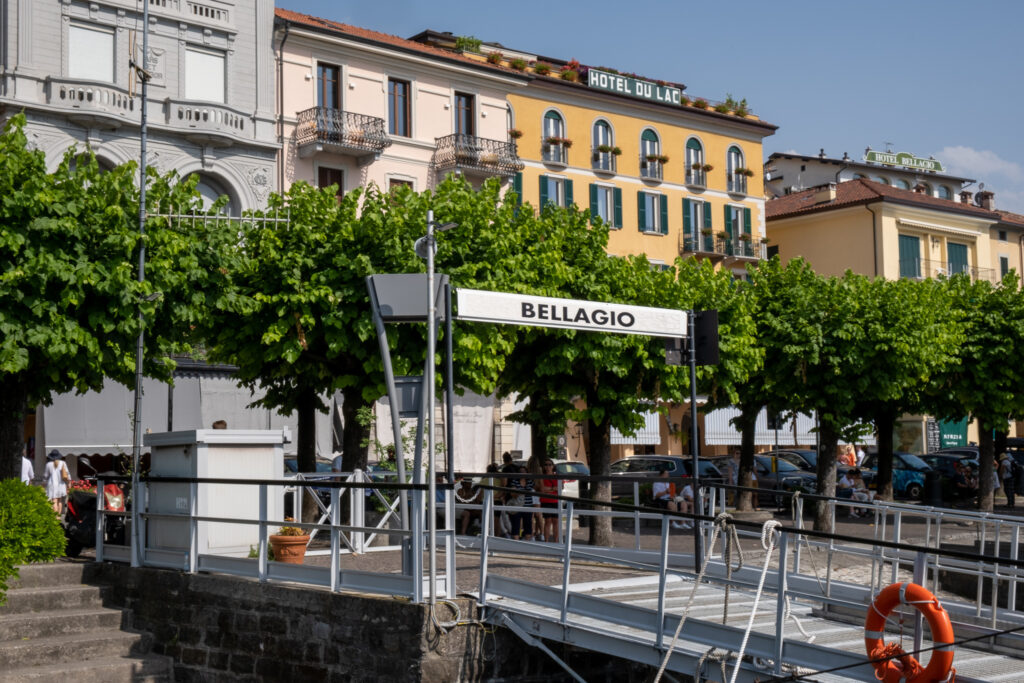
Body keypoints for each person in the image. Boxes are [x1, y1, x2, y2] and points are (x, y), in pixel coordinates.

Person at [538, 459, 561, 543]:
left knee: (556, 521)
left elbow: (560, 487)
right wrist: (554, 489)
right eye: (546, 464)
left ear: (553, 466)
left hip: (555, 501)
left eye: (550, 464)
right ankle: (546, 541)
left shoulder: (557, 476)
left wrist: (549, 489)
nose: (548, 466)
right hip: (545, 501)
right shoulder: (542, 477)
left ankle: (556, 541)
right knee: (547, 521)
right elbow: (542, 489)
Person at [44, 450, 70, 515]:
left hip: (52, 484)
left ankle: (55, 517)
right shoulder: (63, 463)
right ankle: (59, 516)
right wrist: (69, 483)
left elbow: (45, 476)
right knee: (60, 501)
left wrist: (43, 483)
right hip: (61, 484)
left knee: (54, 501)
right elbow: (67, 474)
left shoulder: (48, 464)